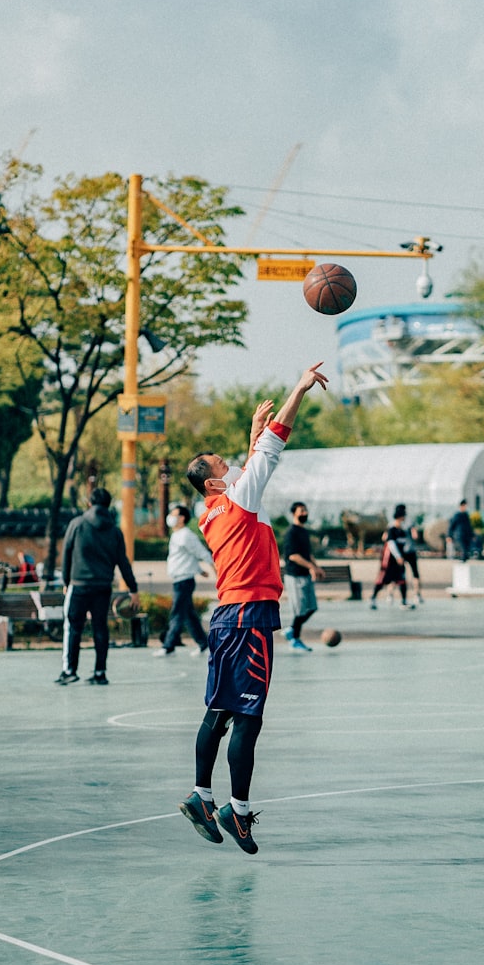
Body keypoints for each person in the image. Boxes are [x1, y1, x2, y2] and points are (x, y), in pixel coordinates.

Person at [178, 362, 328, 855]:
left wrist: (248, 438)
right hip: (250, 617)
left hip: (226, 617)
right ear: (216, 482)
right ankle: (237, 812)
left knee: (218, 712)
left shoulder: (213, 511)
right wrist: (298, 389)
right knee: (248, 719)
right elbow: (272, 448)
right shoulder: (238, 500)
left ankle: (203, 796)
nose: (232, 464)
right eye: (223, 463)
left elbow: (247, 474)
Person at [56, 487, 140, 686]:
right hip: (103, 587)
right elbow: (123, 562)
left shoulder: (76, 524)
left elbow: (66, 555)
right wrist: (133, 589)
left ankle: (69, 671)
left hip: (79, 585)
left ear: (89, 503)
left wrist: (66, 582)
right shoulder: (115, 531)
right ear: (108, 504)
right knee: (100, 628)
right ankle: (100, 672)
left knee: (73, 628)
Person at [157, 505, 212, 656]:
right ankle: (204, 644)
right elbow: (188, 557)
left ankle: (168, 645)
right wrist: (200, 570)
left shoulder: (186, 535)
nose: (170, 517)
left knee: (177, 613)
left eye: (174, 514)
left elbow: (200, 552)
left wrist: (214, 567)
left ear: (182, 518)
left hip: (184, 581)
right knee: (188, 615)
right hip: (179, 579)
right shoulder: (177, 535)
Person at [281, 501, 325, 652]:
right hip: (294, 576)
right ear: (294, 513)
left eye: (306, 510)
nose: (304, 513)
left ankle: (291, 630)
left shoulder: (304, 531)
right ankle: (294, 639)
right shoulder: (291, 533)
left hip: (305, 575)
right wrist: (312, 567)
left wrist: (317, 567)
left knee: (312, 607)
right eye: (301, 511)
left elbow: (308, 554)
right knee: (300, 610)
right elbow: (293, 556)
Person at [369, 504, 414, 610]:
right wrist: (398, 556)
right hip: (389, 560)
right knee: (383, 579)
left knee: (402, 579)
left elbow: (405, 544)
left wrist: (404, 556)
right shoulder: (392, 529)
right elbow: (391, 544)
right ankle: (373, 599)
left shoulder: (402, 531)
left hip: (399, 561)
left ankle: (403, 601)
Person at [402, 519, 425, 605]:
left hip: (400, 552)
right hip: (410, 550)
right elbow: (415, 535)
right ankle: (417, 595)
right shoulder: (410, 522)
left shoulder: (393, 524)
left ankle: (390, 595)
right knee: (415, 574)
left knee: (399, 575)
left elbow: (384, 537)